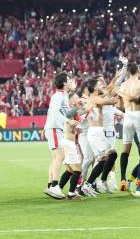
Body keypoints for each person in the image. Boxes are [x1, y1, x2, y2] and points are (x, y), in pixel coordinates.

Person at [82, 77, 119, 194]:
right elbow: (111, 101)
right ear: (95, 88)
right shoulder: (95, 99)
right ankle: (100, 181)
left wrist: (117, 78)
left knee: (103, 159)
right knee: (112, 154)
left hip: (97, 132)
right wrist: (120, 94)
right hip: (95, 132)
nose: (101, 85)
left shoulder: (95, 97)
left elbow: (107, 91)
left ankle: (89, 184)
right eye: (98, 84)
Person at [43, 71, 77, 199]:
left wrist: (80, 108)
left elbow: (67, 113)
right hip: (54, 128)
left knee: (55, 158)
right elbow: (56, 112)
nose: (70, 82)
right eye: (69, 80)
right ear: (64, 83)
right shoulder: (58, 96)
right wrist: (68, 121)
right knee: (60, 155)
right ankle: (54, 186)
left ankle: (50, 185)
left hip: (55, 129)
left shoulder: (64, 96)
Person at [116, 62, 140, 191]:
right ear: (138, 71)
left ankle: (123, 179)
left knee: (125, 148)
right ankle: (139, 180)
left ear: (128, 72)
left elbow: (120, 106)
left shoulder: (122, 85)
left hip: (127, 115)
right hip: (139, 115)